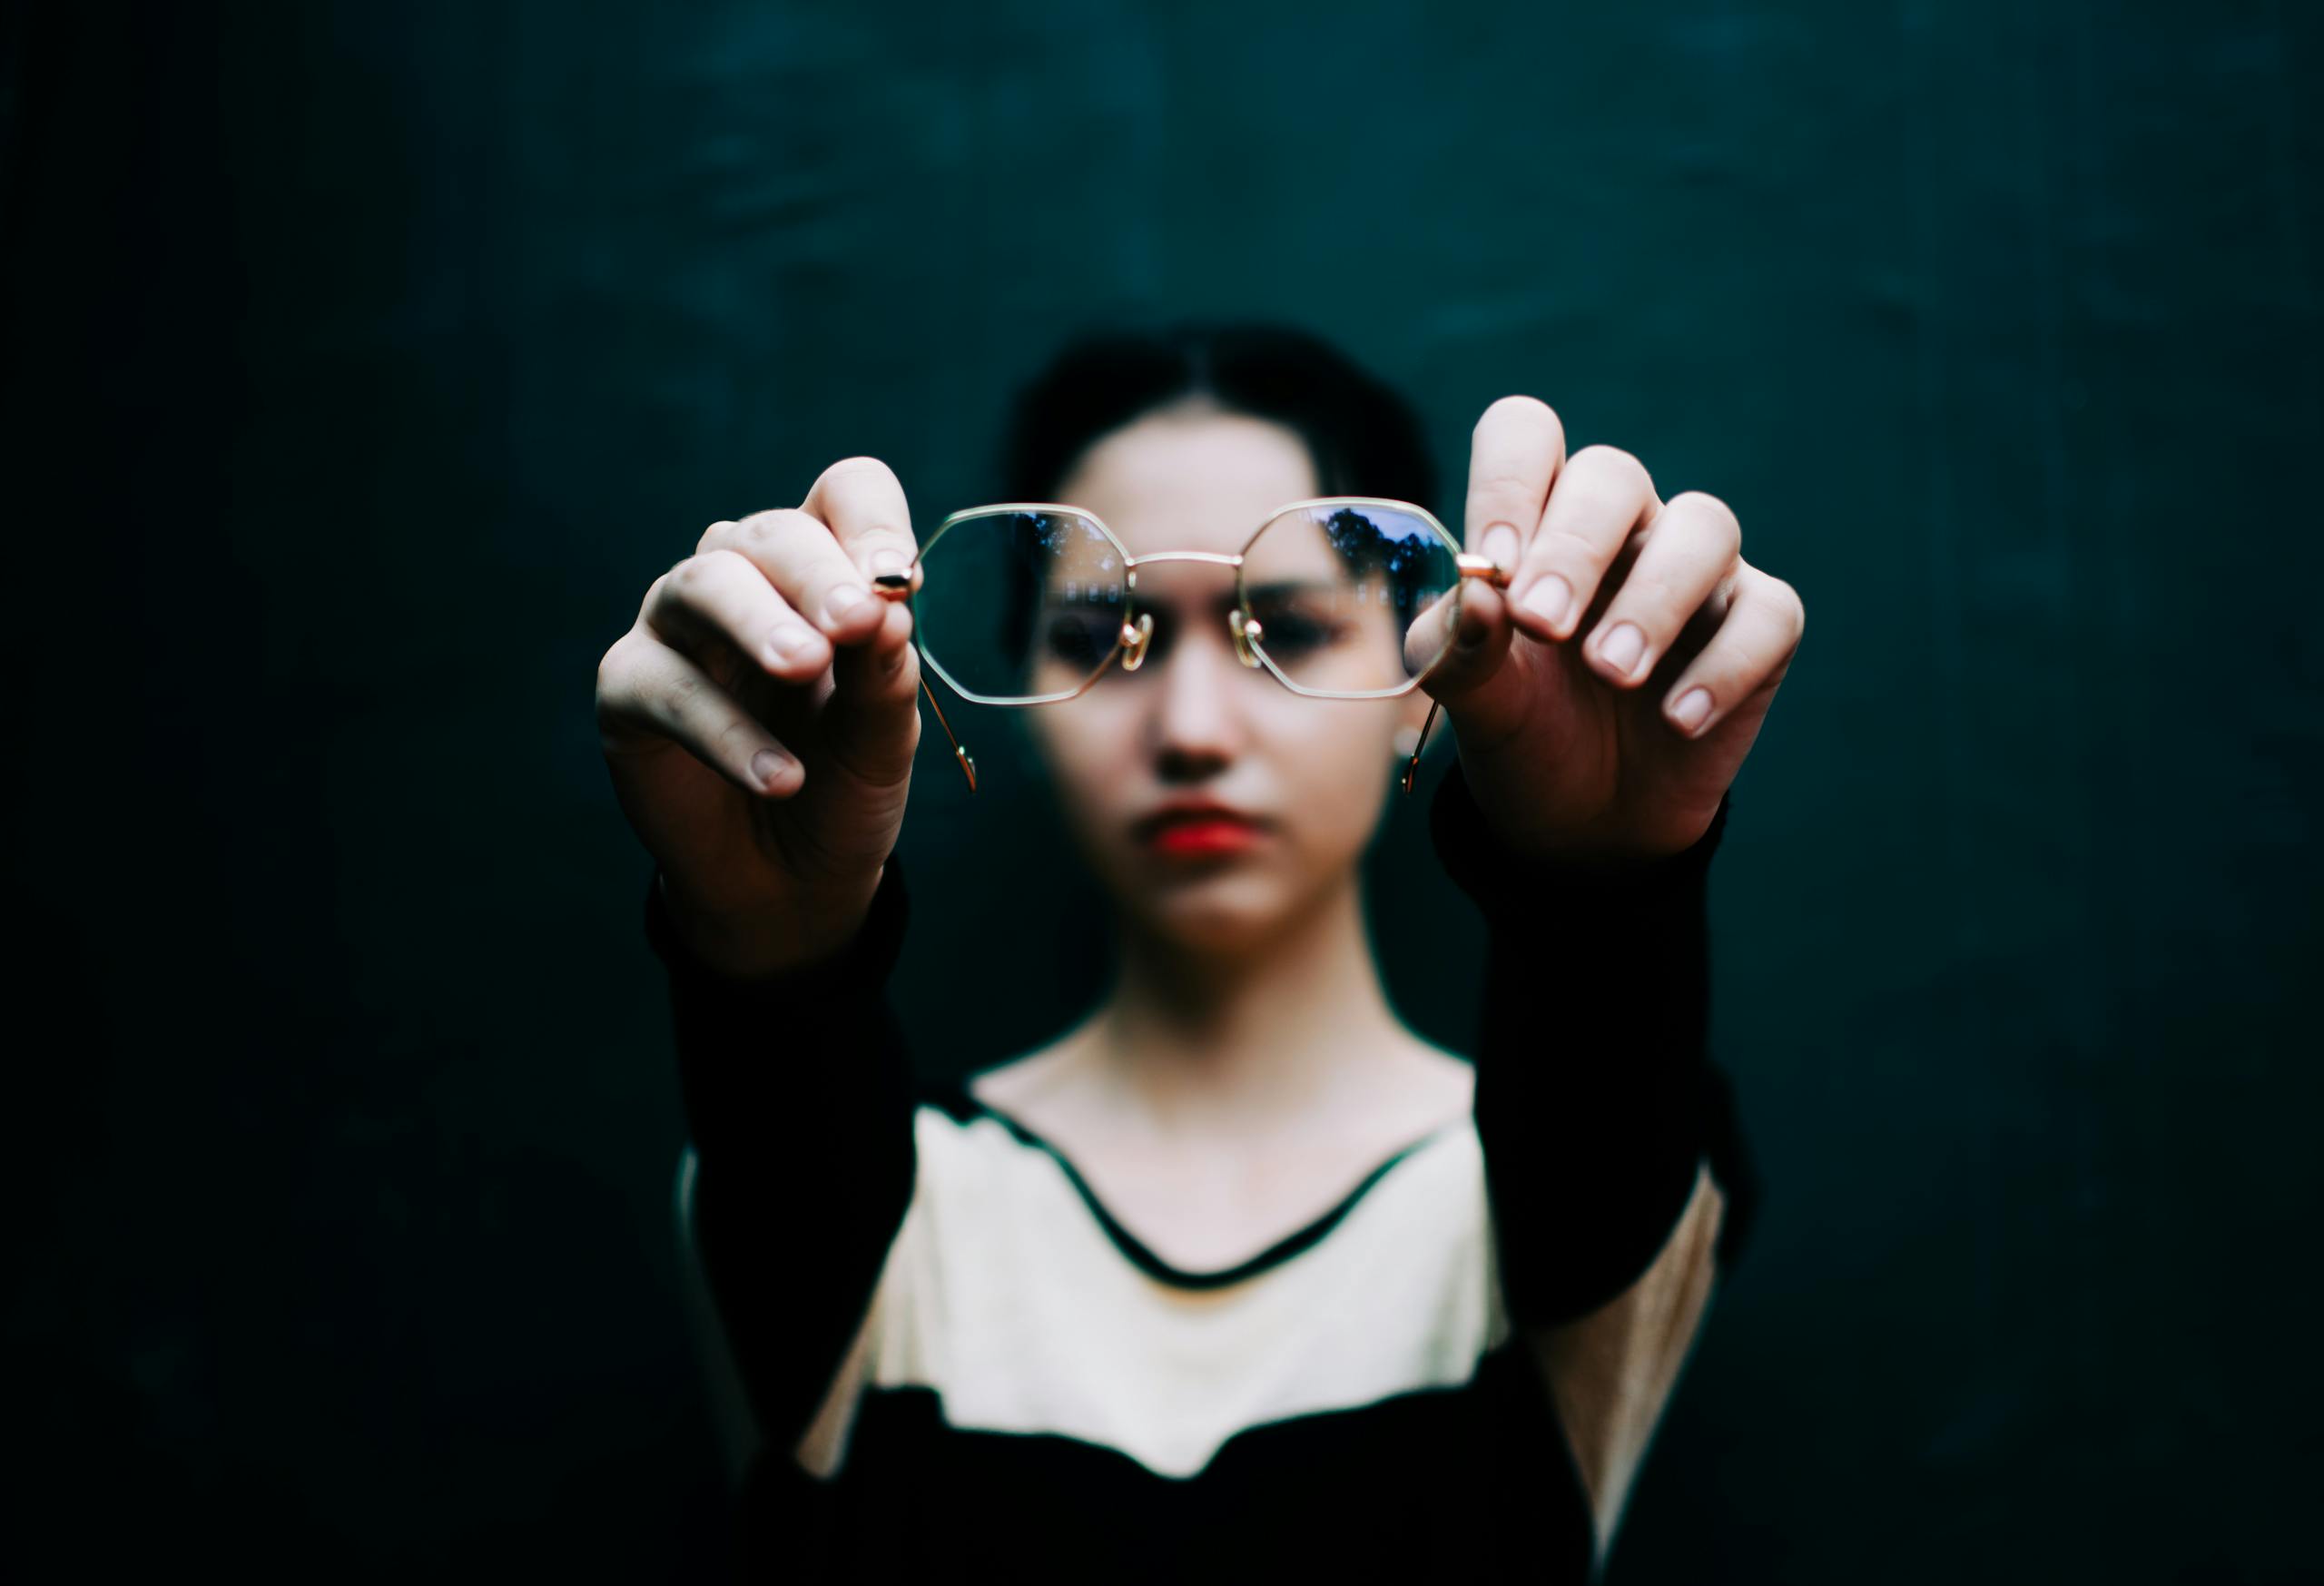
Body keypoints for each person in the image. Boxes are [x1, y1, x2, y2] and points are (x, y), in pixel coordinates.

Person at [594, 323, 1804, 1581]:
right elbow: (784, 1145)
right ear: (1009, 684)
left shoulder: (1535, 1220)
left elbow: (1601, 1153)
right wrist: (761, 941)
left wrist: (1604, 884)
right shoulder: (890, 1224)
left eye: (1283, 627)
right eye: (1100, 636)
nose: (1189, 728)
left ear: (1423, 675)